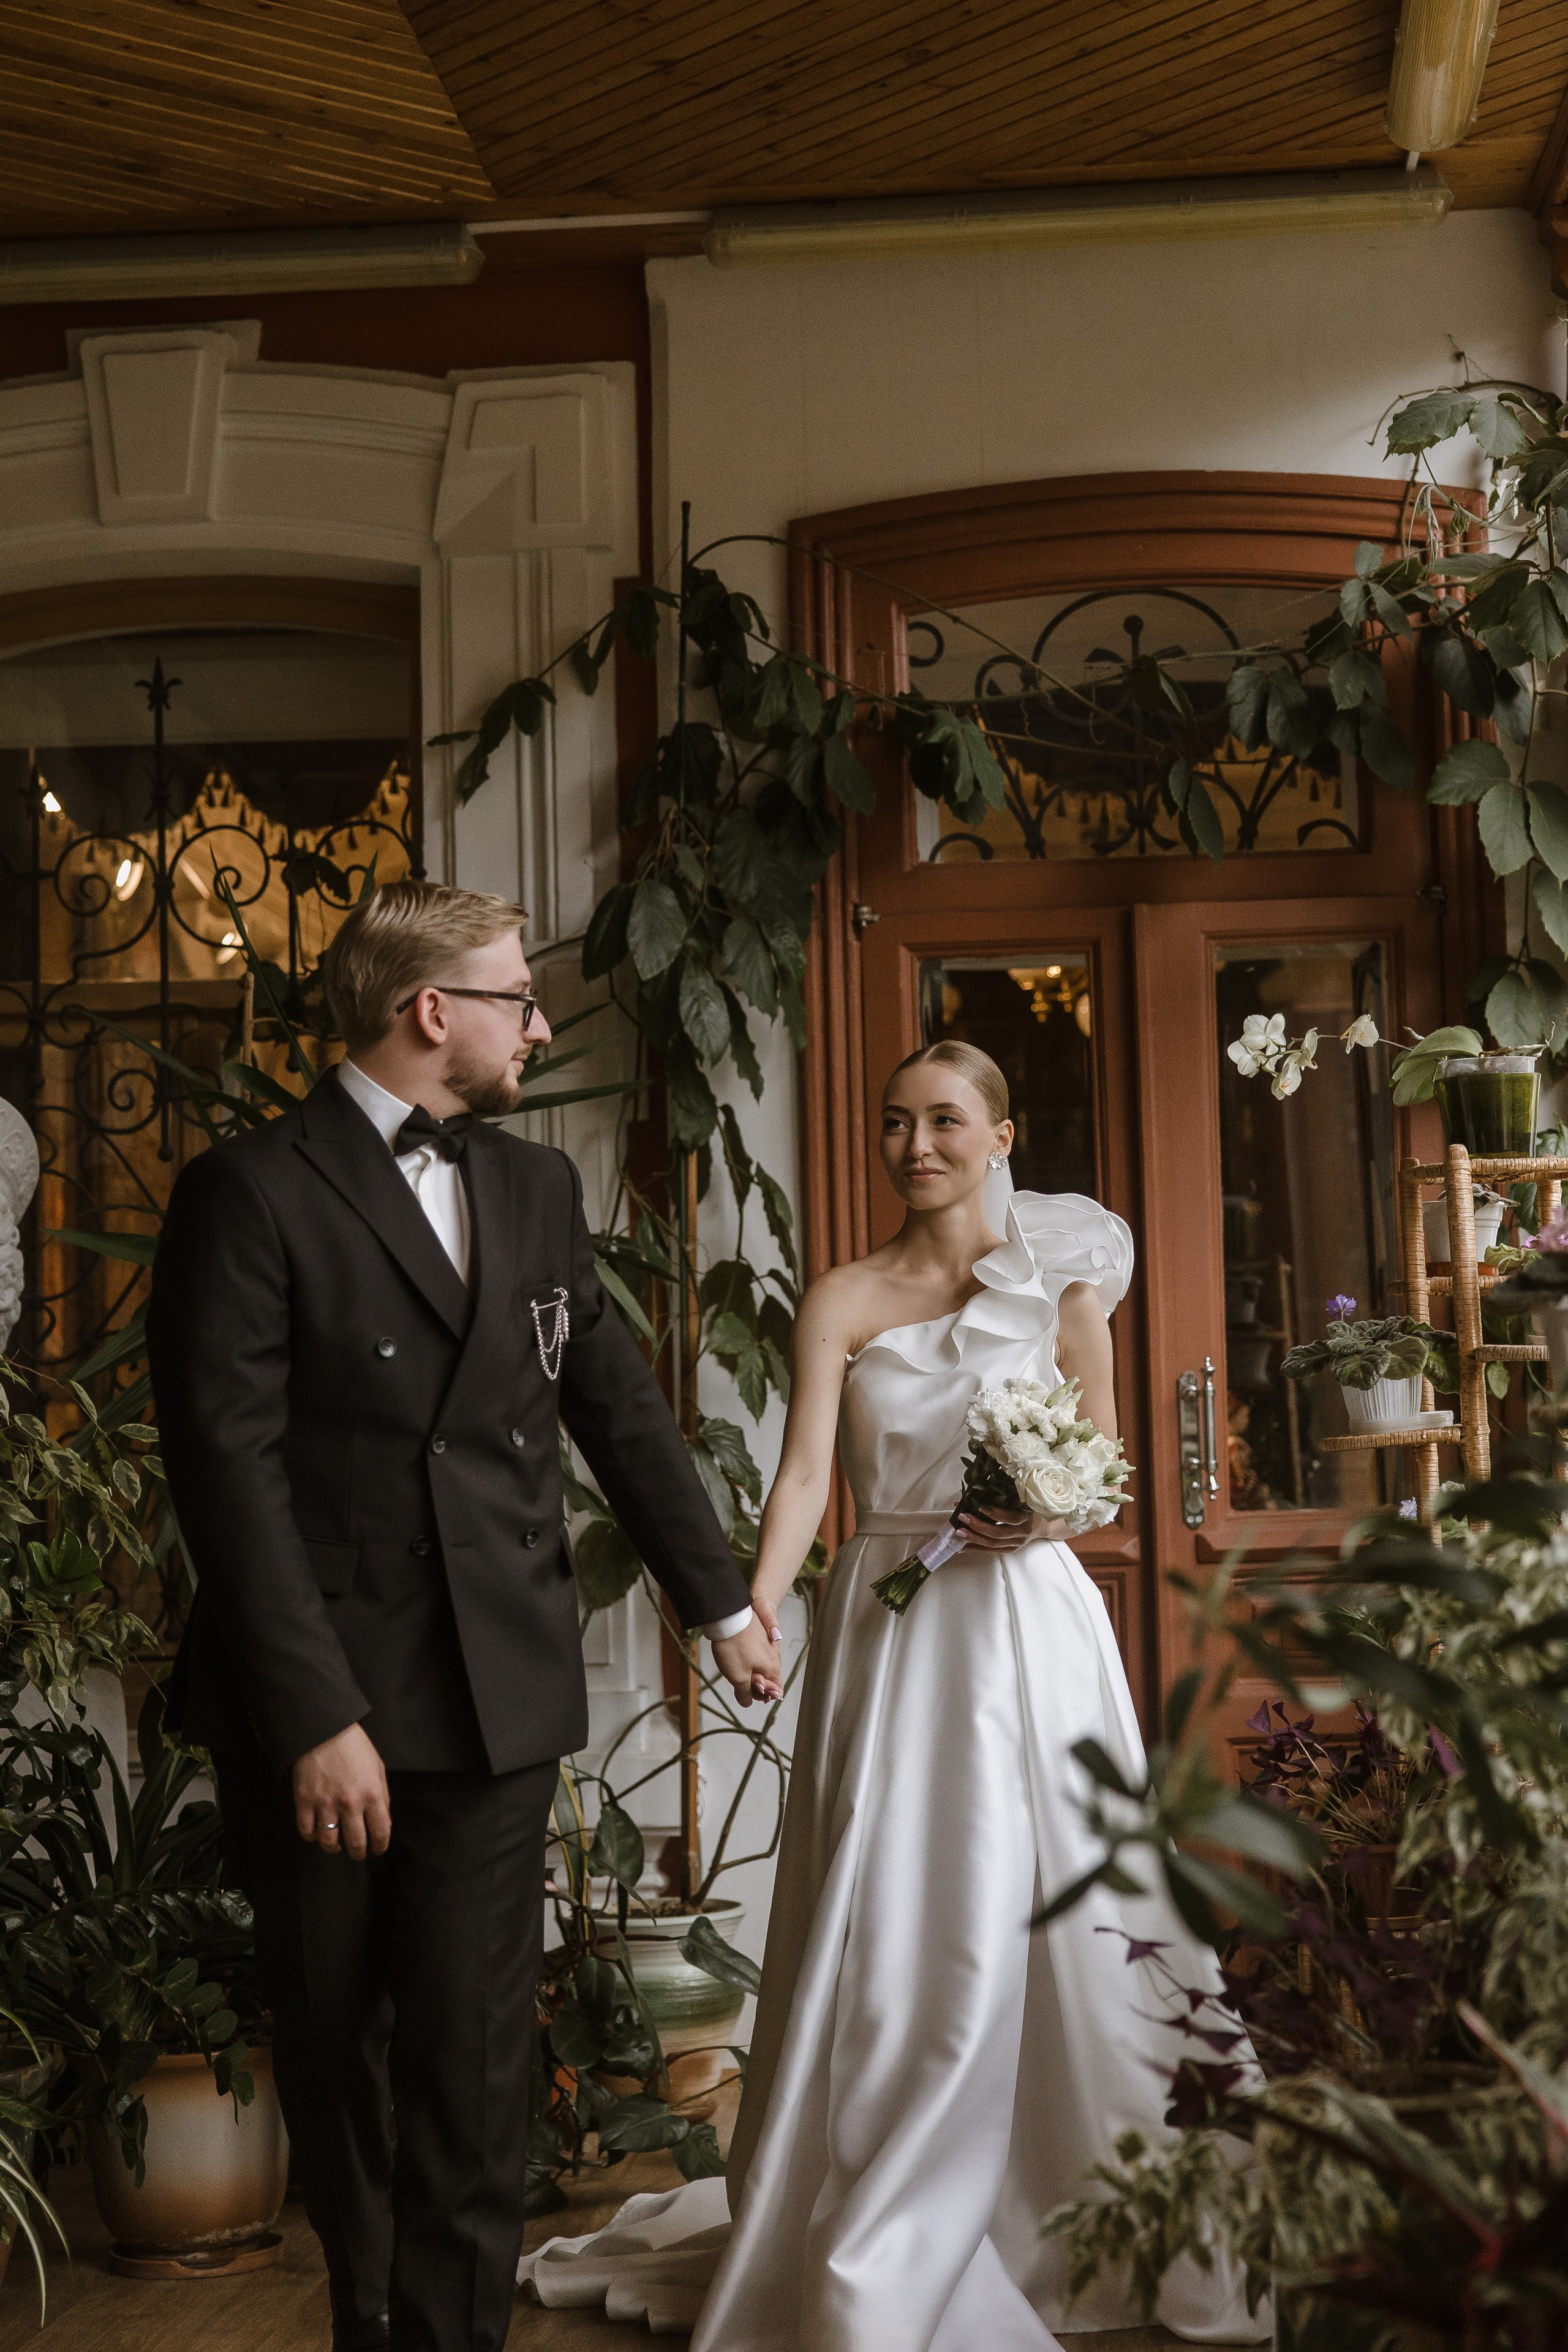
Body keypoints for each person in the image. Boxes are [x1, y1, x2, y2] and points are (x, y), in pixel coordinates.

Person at [520, 1039, 1268, 2349]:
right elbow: (808, 1477)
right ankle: (881, 2204)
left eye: (940, 1122)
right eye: (890, 1123)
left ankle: (1102, 2207)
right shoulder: (840, 1298)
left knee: (1066, 1906)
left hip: (1025, 1629)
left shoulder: (1063, 1282)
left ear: (998, 1135)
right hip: (886, 1621)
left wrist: (1036, 1512)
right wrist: (748, 1608)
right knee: (906, 1910)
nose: (912, 1146)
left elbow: (1102, 1471)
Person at [145, 880, 780, 2352]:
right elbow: (224, 1477)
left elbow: (614, 1411)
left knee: (478, 2060)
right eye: (516, 997)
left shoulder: (534, 1190)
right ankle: (366, 2323)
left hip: (496, 1694)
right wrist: (317, 1719)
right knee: (337, 2050)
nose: (539, 1025)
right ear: (430, 1012)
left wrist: (719, 1602)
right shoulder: (249, 1190)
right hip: (328, 1713)